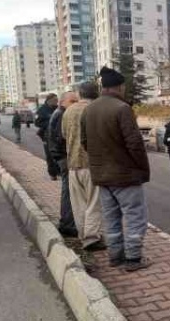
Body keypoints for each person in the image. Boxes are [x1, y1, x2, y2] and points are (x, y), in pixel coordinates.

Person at [81, 66, 151, 272]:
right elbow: (135, 144)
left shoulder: (89, 109)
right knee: (135, 216)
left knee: (111, 218)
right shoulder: (122, 108)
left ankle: (115, 256)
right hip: (125, 175)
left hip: (102, 176)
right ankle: (134, 258)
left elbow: (85, 142)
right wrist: (141, 167)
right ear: (120, 87)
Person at [62, 82, 105, 250]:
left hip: (73, 164)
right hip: (92, 164)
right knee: (94, 203)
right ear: (97, 93)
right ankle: (92, 238)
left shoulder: (68, 111)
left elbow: (64, 135)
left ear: (80, 93)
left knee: (78, 204)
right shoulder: (96, 109)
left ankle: (83, 236)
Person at [48, 92, 80, 238]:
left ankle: (67, 222)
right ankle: (67, 224)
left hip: (60, 156)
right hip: (64, 157)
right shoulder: (62, 114)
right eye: (72, 101)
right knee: (68, 191)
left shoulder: (59, 112)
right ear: (62, 102)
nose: (75, 104)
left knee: (68, 190)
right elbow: (62, 138)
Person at [36, 93, 61, 180]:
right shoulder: (42, 110)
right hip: (47, 135)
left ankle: (59, 171)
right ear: (49, 100)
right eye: (55, 100)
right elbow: (37, 123)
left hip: (57, 135)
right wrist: (50, 124)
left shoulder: (58, 108)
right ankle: (52, 174)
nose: (57, 102)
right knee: (49, 155)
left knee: (59, 154)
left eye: (57, 100)